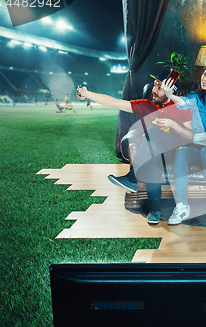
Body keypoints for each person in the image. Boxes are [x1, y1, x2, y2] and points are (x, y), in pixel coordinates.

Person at [75, 71, 193, 225]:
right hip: (153, 154)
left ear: (171, 90)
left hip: (175, 153)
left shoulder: (181, 107)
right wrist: (88, 94)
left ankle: (133, 178)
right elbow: (114, 102)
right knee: (152, 154)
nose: (153, 89)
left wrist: (173, 125)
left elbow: (189, 136)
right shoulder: (146, 105)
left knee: (153, 132)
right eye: (154, 85)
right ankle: (155, 207)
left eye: (159, 87)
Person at [161, 64, 206, 224]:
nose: (205, 79)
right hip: (196, 144)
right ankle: (182, 205)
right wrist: (169, 95)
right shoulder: (196, 97)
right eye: (204, 74)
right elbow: (183, 102)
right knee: (181, 152)